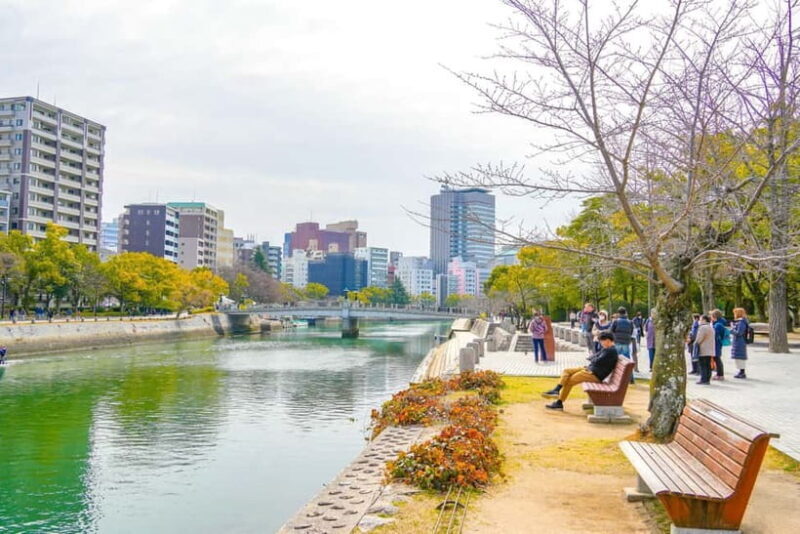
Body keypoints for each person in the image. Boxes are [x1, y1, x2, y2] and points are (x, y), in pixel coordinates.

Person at [543, 331, 619, 410]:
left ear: (607, 340)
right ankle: (557, 389)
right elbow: (595, 357)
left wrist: (593, 359)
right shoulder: (608, 349)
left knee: (569, 381)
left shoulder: (610, 351)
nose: (600, 343)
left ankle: (559, 403)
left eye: (601, 341)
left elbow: (596, 360)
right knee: (566, 371)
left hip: (594, 374)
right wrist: (593, 359)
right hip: (590, 369)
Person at [611, 307, 635, 382]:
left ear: (618, 313)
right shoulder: (630, 322)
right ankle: (630, 378)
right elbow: (631, 332)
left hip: (617, 342)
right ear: (625, 313)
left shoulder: (616, 321)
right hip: (626, 343)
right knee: (627, 360)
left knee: (616, 359)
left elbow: (611, 331)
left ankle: (615, 378)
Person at [694, 315, 715, 384]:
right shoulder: (711, 327)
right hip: (710, 349)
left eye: (701, 319)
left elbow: (699, 338)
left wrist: (695, 343)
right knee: (708, 365)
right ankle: (707, 379)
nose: (699, 321)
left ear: (704, 320)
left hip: (703, 349)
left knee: (703, 365)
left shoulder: (703, 328)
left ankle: (703, 379)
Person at [731, 307, 749, 379]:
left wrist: (732, 329)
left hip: (740, 342)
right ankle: (740, 371)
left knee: (740, 357)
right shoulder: (740, 322)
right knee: (738, 357)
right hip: (738, 341)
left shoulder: (741, 322)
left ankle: (742, 372)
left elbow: (739, 333)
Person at [710, 309, 727, 380]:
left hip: (716, 344)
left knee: (717, 359)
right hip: (717, 343)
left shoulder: (718, 325)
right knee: (717, 359)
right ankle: (719, 374)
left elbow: (714, 334)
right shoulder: (718, 323)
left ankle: (720, 374)